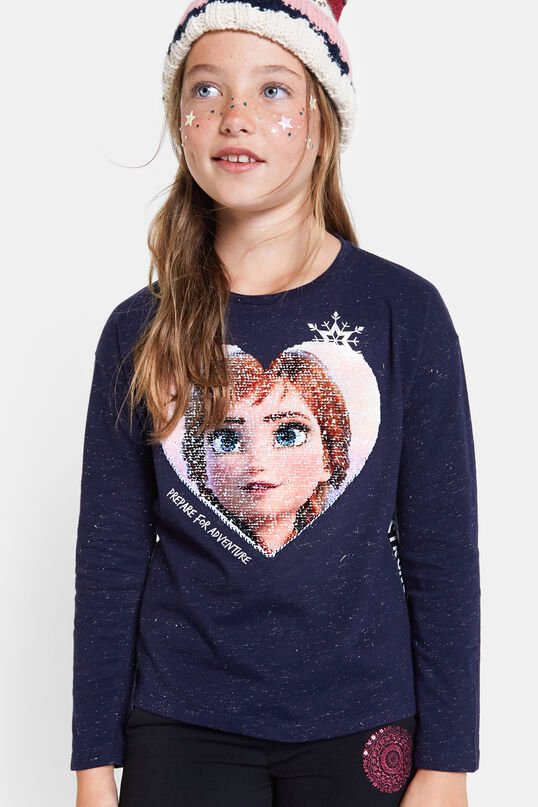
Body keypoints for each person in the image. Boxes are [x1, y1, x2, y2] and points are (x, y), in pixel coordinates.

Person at [71, 1, 480, 806]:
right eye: (206, 89)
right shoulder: (138, 331)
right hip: (180, 725)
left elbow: (442, 553)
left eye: (272, 90)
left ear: (322, 125)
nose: (235, 115)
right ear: (180, 122)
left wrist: (449, 762)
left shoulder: (404, 313)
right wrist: (91, 765)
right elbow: (109, 558)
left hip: (364, 724)